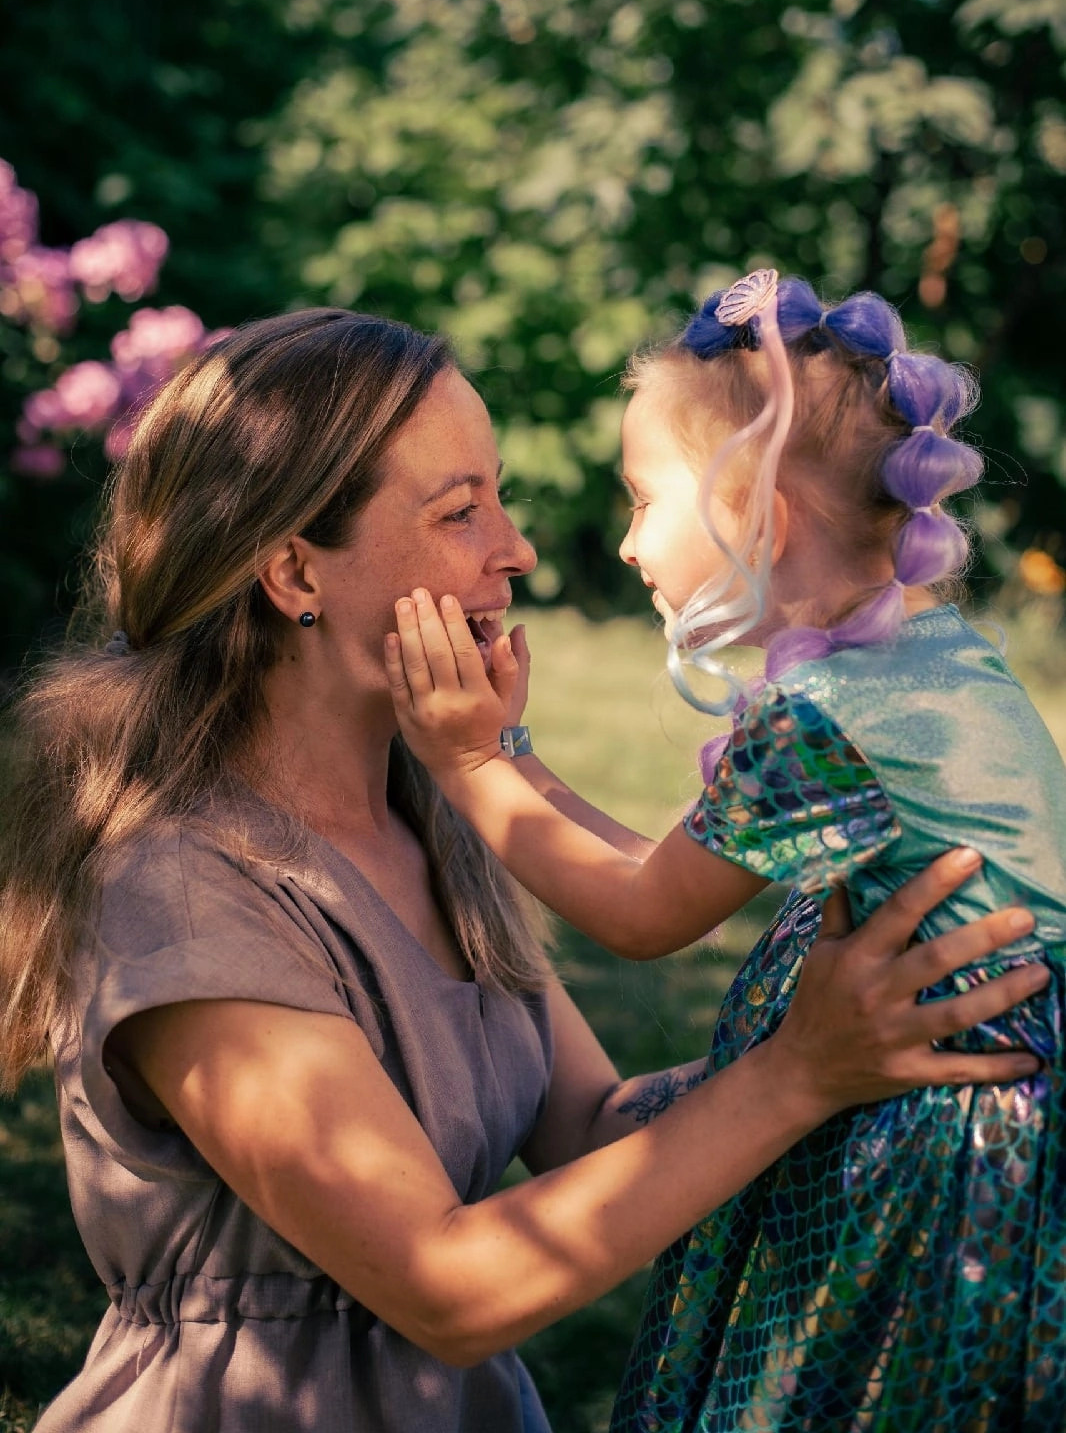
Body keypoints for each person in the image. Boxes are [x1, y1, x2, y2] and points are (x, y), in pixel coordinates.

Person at [0, 310, 1045, 1433]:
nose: (518, 549)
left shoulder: (435, 822)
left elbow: (594, 1125)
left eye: (499, 496)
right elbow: (450, 1289)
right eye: (460, 511)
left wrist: (873, 1052)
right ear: (296, 568)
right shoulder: (189, 893)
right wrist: (790, 1078)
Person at [386, 271, 1066, 1430]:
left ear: (753, 512)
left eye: (644, 499)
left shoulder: (823, 717)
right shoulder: (924, 659)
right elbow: (668, 861)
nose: (626, 539)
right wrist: (506, 754)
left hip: (945, 1152)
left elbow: (644, 916)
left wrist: (463, 767)